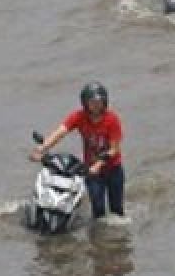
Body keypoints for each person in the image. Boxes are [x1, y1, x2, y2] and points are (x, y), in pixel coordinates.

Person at [31, 82, 125, 220]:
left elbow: (114, 149)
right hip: (91, 171)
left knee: (117, 210)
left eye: (99, 101)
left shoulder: (112, 119)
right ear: (85, 103)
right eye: (92, 102)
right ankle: (98, 239)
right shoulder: (79, 116)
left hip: (113, 168)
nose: (96, 105)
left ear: (105, 101)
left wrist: (98, 165)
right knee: (98, 210)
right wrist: (43, 147)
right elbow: (61, 131)